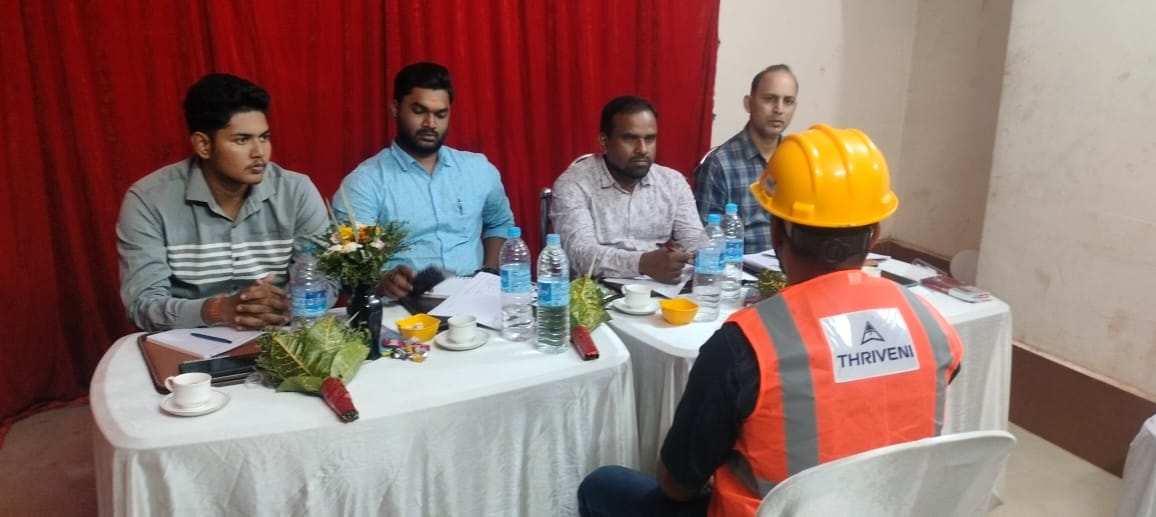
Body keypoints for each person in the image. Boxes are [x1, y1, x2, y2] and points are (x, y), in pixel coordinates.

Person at [577, 125, 964, 517]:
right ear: (876, 233)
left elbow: (676, 486)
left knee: (603, 485)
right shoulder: (933, 326)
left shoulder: (745, 345)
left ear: (777, 232)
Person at [117, 73, 330, 331]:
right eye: (242, 140)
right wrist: (217, 310)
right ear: (203, 145)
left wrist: (287, 306)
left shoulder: (296, 191)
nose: (259, 152)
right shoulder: (148, 199)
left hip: (281, 335)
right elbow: (143, 303)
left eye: (264, 137)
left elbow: (326, 278)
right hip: (189, 342)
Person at [335, 62, 515, 299]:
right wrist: (381, 283)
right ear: (395, 109)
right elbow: (348, 265)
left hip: (475, 301)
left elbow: (500, 224)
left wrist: (489, 274)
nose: (430, 123)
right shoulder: (364, 183)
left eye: (440, 114)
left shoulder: (478, 170)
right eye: (419, 111)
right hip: (402, 308)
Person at [550, 96, 706, 284]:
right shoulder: (574, 183)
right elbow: (580, 254)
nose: (642, 149)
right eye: (630, 139)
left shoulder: (673, 182)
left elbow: (695, 242)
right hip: (595, 292)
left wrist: (694, 255)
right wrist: (643, 263)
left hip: (659, 290)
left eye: (650, 139)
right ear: (604, 142)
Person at [695, 64, 798, 254]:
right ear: (748, 103)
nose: (779, 109)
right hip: (739, 268)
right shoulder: (721, 164)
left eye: (788, 101)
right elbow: (708, 241)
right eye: (769, 99)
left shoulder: (797, 160)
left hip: (791, 266)